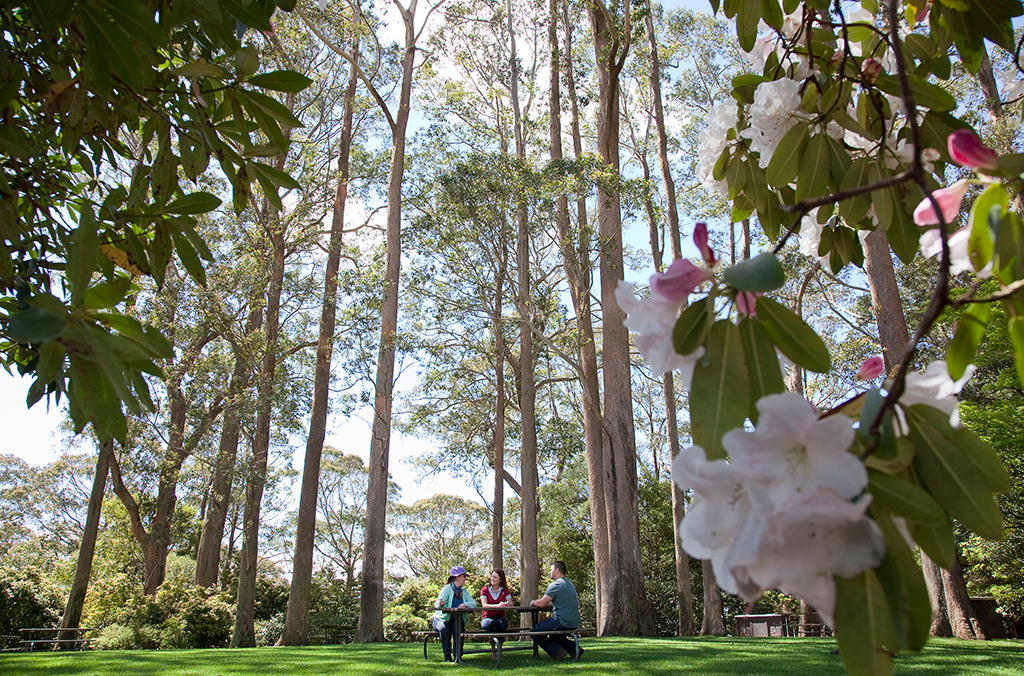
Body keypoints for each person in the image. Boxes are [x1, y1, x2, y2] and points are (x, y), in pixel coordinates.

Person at [530, 560, 583, 661]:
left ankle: (557, 652)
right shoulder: (569, 584)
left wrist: (533, 602)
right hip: (574, 621)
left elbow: (541, 603)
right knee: (554, 636)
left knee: (534, 632)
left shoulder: (556, 585)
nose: (549, 572)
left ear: (557, 571)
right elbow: (558, 601)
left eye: (551, 570)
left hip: (562, 621)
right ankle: (574, 649)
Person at [432, 565, 477, 662]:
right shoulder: (446, 589)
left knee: (459, 628)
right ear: (457, 577)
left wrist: (465, 604)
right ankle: (447, 655)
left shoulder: (464, 591)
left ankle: (458, 655)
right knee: (445, 630)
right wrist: (440, 604)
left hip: (456, 618)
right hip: (442, 618)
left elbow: (473, 603)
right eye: (464, 576)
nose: (465, 579)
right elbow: (437, 605)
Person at [480, 568, 513, 657]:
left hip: (500, 617)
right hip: (487, 617)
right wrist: (497, 606)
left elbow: (511, 603)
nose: (492, 579)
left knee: (503, 623)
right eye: (492, 576)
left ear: (500, 579)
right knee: (492, 624)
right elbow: (484, 605)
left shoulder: (505, 590)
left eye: (495, 577)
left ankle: (500, 649)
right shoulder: (485, 589)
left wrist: (505, 604)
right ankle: (493, 650)